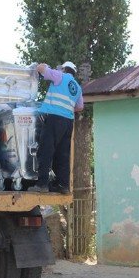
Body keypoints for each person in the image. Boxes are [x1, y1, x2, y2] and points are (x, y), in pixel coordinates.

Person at [27, 61, 84, 193]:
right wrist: (66, 109)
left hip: (54, 119)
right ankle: (63, 185)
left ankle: (42, 184)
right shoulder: (76, 86)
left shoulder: (59, 76)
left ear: (64, 69)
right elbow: (80, 107)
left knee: (46, 151)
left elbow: (41, 69)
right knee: (62, 154)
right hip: (68, 121)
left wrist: (44, 66)